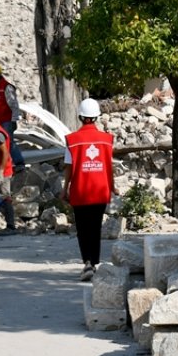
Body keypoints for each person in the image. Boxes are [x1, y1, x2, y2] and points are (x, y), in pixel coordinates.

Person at [61, 98, 116, 281]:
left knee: (83, 229)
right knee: (95, 227)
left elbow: (69, 167)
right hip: (100, 190)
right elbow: (109, 165)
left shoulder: (72, 140)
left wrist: (65, 189)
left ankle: (88, 263)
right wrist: (113, 187)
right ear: (96, 117)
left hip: (81, 190)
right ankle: (95, 262)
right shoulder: (106, 140)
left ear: (80, 116)